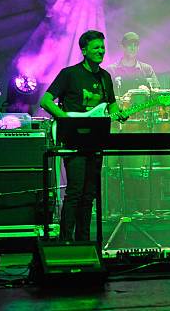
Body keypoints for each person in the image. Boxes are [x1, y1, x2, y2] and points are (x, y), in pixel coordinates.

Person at [40, 30, 124, 241]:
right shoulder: (69, 74)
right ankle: (66, 240)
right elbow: (46, 101)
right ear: (84, 50)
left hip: (96, 141)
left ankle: (84, 241)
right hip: (73, 140)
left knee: (89, 195)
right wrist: (66, 120)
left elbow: (111, 106)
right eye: (96, 47)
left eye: (103, 47)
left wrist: (119, 113)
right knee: (75, 191)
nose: (101, 51)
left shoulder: (105, 77)